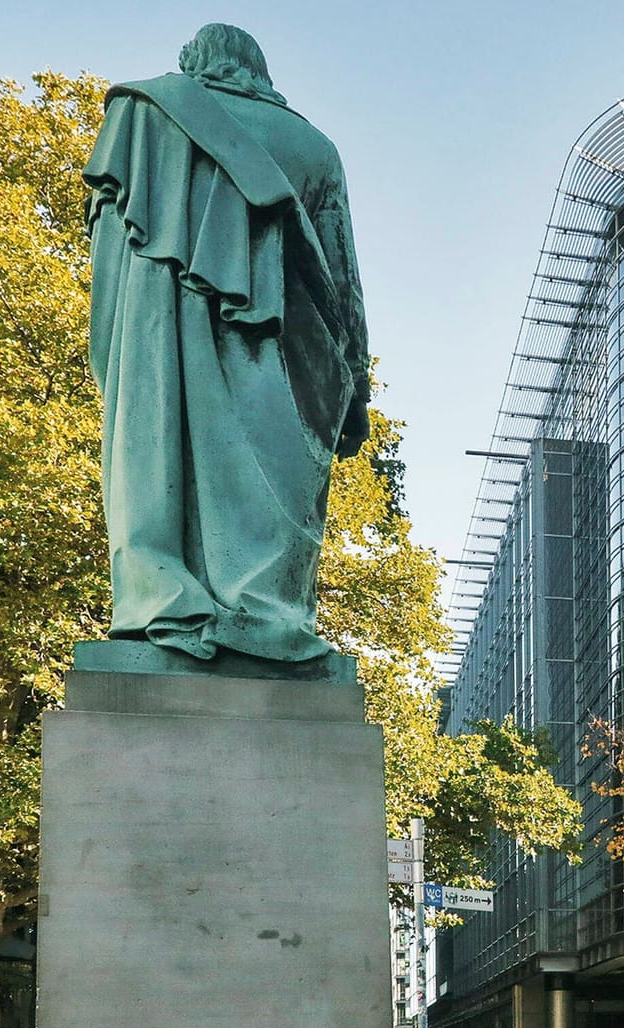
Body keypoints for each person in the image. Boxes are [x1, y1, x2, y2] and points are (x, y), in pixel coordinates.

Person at [84, 22, 372, 663]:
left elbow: (109, 248)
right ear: (259, 72)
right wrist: (355, 388)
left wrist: (120, 345)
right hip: (283, 354)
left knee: (158, 452)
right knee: (272, 487)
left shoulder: (142, 112)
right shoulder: (313, 147)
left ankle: (162, 599)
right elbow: (343, 285)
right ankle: (265, 616)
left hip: (156, 331)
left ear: (196, 64)